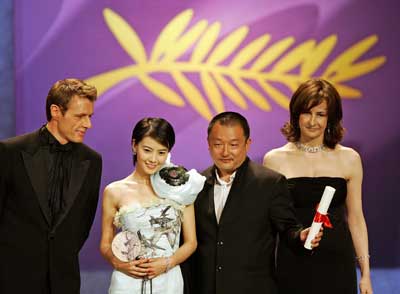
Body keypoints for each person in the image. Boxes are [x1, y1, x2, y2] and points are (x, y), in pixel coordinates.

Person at [190, 111, 322, 294]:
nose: (225, 152)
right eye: (218, 144)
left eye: (234, 145)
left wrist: (301, 236)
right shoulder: (195, 184)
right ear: (208, 145)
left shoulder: (269, 183)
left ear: (247, 144)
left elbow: (288, 229)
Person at [263, 78, 373, 294]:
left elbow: (356, 219)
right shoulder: (274, 160)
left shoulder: (349, 159)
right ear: (296, 115)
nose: (313, 121)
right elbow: (270, 223)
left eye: (320, 114)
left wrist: (366, 274)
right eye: (307, 113)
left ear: (331, 118)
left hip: (337, 262)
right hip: (292, 260)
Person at [0, 78, 102, 294]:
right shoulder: (10, 152)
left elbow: (83, 224)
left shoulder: (92, 161)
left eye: (90, 116)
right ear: (56, 111)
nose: (88, 124)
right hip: (13, 278)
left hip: (63, 280)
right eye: (80, 116)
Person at [100, 117, 204, 294]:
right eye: (147, 150)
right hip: (127, 281)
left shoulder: (181, 187)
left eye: (161, 152)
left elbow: (191, 242)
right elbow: (105, 244)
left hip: (168, 281)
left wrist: (167, 263)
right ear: (134, 146)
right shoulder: (114, 191)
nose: (153, 159)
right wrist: (120, 264)